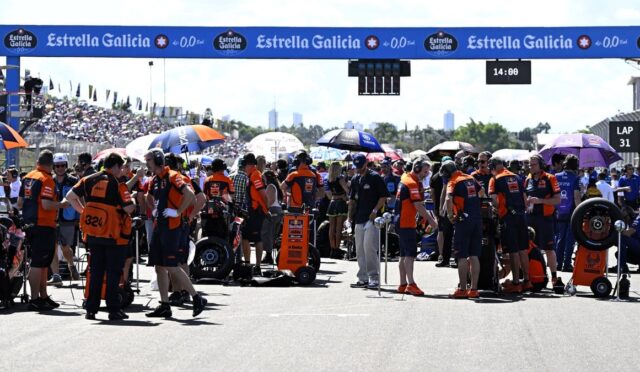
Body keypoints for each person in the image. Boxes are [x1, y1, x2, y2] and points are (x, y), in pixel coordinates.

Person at [66, 153, 135, 320]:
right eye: (121, 168)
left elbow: (69, 197)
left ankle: (91, 309)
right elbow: (128, 209)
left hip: (92, 232)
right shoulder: (118, 184)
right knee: (113, 272)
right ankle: (113, 309)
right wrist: (132, 200)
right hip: (113, 234)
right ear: (117, 167)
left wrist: (84, 212)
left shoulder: (89, 179)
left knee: (95, 272)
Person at [143, 149, 206, 318]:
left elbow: (191, 195)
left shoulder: (173, 176)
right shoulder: (154, 180)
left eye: (148, 160)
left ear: (157, 159)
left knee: (172, 265)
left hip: (173, 227)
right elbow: (148, 196)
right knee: (158, 266)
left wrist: (178, 212)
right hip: (160, 226)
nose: (146, 163)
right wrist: (154, 208)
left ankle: (196, 297)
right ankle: (164, 304)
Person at [18, 150, 69, 311]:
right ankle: (34, 299)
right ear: (51, 165)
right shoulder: (46, 179)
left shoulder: (27, 177)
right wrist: (62, 204)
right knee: (38, 263)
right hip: (43, 225)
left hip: (30, 224)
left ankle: (43, 296)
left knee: (43, 263)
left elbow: (20, 203)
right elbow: (47, 205)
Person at [394, 160, 437, 295]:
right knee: (410, 254)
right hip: (406, 222)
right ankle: (411, 284)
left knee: (403, 254)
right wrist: (431, 220)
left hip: (401, 221)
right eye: (424, 172)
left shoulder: (406, 179)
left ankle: (402, 284)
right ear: (417, 168)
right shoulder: (411, 183)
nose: (426, 175)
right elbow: (418, 205)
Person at [488, 157, 531, 293]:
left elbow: (494, 201)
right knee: (523, 249)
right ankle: (527, 281)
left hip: (508, 217)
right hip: (521, 216)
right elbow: (525, 199)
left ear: (493, 167)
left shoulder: (495, 179)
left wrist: (494, 209)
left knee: (513, 250)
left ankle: (516, 282)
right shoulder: (518, 177)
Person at [442, 160, 484, 299]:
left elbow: (448, 199)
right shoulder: (470, 177)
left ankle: (463, 289)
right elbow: (482, 192)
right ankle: (474, 289)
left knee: (461, 255)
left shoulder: (453, 181)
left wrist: (450, 215)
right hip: (477, 220)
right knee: (474, 255)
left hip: (463, 221)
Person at [348, 154, 389, 289]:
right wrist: (349, 217)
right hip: (358, 218)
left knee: (369, 248)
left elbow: (383, 196)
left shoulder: (375, 177)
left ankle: (374, 277)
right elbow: (352, 200)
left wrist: (375, 210)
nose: (359, 169)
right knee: (359, 249)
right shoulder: (355, 179)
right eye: (357, 167)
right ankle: (363, 278)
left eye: (361, 166)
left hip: (372, 218)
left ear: (366, 163)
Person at [525, 154, 561, 286]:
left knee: (549, 249)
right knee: (528, 248)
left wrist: (540, 201)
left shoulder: (550, 178)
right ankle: (534, 276)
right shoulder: (527, 179)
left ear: (541, 165)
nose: (530, 167)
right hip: (530, 219)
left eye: (533, 164)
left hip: (545, 219)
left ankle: (554, 277)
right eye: (529, 164)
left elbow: (558, 200)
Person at [48, 153, 80, 286]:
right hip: (51, 218)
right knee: (52, 247)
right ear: (53, 167)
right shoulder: (49, 180)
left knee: (66, 246)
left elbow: (80, 199)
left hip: (68, 219)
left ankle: (71, 264)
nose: (60, 168)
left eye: (62, 165)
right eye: (57, 166)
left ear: (66, 166)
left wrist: (80, 215)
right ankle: (56, 275)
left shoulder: (73, 181)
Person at [553, 154, 581, 272]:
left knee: (560, 237)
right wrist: (581, 211)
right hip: (571, 211)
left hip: (558, 211)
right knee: (570, 239)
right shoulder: (575, 178)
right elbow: (576, 197)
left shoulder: (556, 176)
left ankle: (558, 263)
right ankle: (567, 264)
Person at [242, 153, 269, 275]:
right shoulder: (252, 175)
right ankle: (252, 264)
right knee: (250, 238)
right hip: (254, 211)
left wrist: (266, 209)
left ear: (249, 165)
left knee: (253, 238)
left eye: (244, 166)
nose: (243, 168)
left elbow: (263, 194)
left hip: (256, 212)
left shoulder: (255, 175)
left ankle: (253, 265)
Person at [325, 162, 349, 259]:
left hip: (332, 202)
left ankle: (332, 248)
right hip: (340, 202)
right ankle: (337, 248)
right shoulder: (340, 178)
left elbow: (330, 192)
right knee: (338, 228)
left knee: (332, 228)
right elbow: (347, 190)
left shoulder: (329, 179)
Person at [261, 170, 283, 264]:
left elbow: (270, 201)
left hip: (272, 210)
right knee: (272, 234)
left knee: (267, 233)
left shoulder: (270, 186)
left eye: (263, 177)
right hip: (277, 211)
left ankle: (269, 256)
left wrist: (263, 209)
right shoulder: (275, 186)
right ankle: (271, 255)